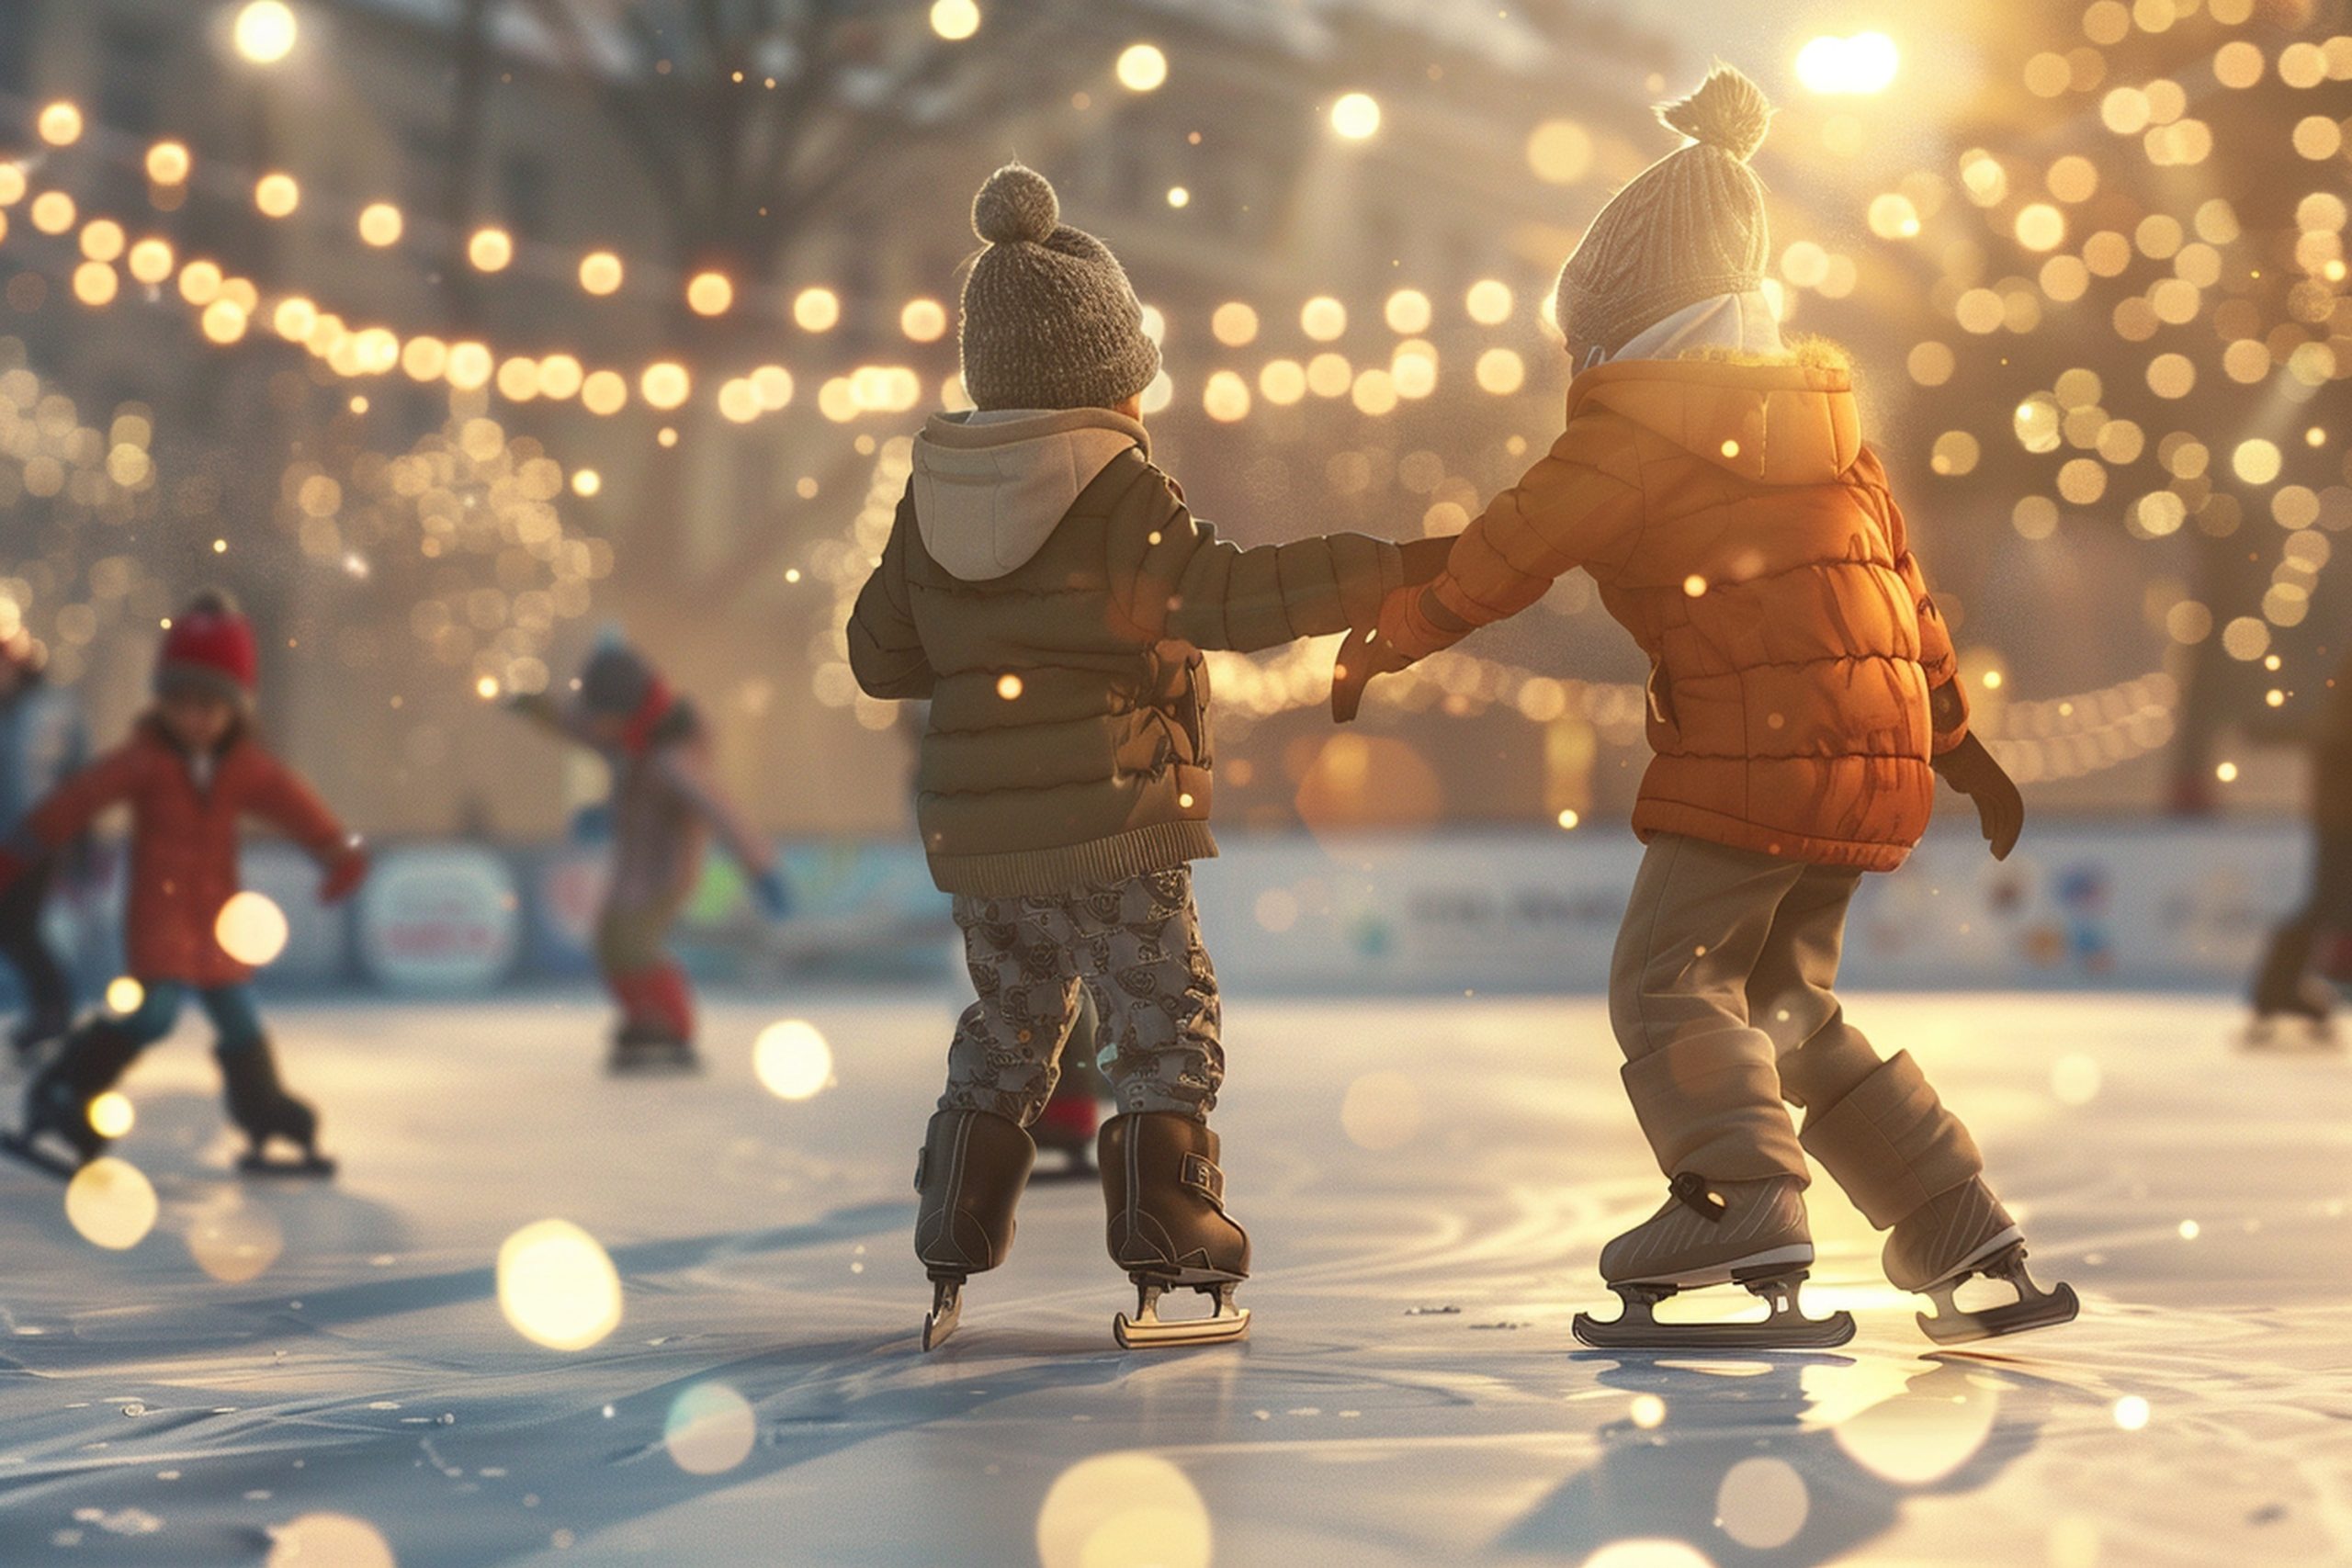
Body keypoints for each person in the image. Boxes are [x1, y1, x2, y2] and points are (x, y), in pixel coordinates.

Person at [1336, 68, 2075, 1348]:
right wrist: (1960, 745)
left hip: (1753, 755)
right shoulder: (1828, 423)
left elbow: (1506, 553)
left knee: (1666, 981)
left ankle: (1740, 1202)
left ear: (1622, 316)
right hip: (1868, 756)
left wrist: (1392, 634)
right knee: (1789, 1007)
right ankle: (1953, 1215)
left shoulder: (1632, 425)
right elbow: (1900, 592)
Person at [852, 163, 1448, 1350]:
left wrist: (989, 651)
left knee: (1011, 1021)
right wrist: (1382, 565)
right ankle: (1170, 1227)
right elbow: (1226, 594)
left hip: (984, 839)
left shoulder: (930, 495)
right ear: (1109, 373)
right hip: (1117, 817)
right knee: (1161, 1019)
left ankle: (952, 1227)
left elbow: (879, 653)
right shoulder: (1119, 487)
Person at [0, 592, 367, 1177]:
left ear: (234, 709)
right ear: (162, 700)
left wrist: (337, 853)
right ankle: (65, 1088)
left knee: (239, 1016)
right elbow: (77, 799)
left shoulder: (245, 766)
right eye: (180, 702)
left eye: (210, 706)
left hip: (217, 921)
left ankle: (262, 1110)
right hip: (160, 921)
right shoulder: (144, 761)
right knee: (155, 1016)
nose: (194, 718)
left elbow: (297, 806)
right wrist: (16, 854)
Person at [510, 637, 791, 1073]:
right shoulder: (624, 734)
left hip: (667, 869)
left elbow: (722, 811)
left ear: (625, 712)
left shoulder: (673, 756)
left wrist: (762, 868)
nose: (596, 727)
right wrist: (536, 707)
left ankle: (673, 1025)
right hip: (635, 862)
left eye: (602, 718)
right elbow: (576, 723)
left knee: (635, 943)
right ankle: (644, 1017)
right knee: (611, 940)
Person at [2244, 647, 2352, 1048]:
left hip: (2338, 807)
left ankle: (2278, 989)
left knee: (2330, 901)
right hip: (2343, 810)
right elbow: (2337, 734)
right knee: (2330, 900)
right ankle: (2277, 989)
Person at [0, 626, 85, 1059]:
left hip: (38, 839)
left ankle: (53, 1010)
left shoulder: (51, 709)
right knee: (14, 930)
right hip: (3, 841)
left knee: (18, 927)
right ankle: (51, 1010)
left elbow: (78, 773)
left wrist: (79, 833)